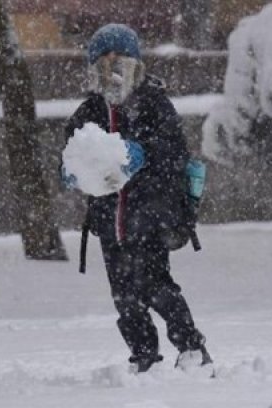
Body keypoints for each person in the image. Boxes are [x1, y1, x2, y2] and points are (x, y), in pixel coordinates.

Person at [62, 24, 212, 374]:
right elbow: (70, 153)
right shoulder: (88, 112)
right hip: (108, 220)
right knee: (124, 295)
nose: (113, 63)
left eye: (120, 56)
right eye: (105, 57)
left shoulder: (154, 103)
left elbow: (174, 153)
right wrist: (72, 170)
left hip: (150, 215)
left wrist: (140, 153)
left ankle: (192, 348)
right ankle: (144, 357)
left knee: (155, 284)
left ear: (135, 62)